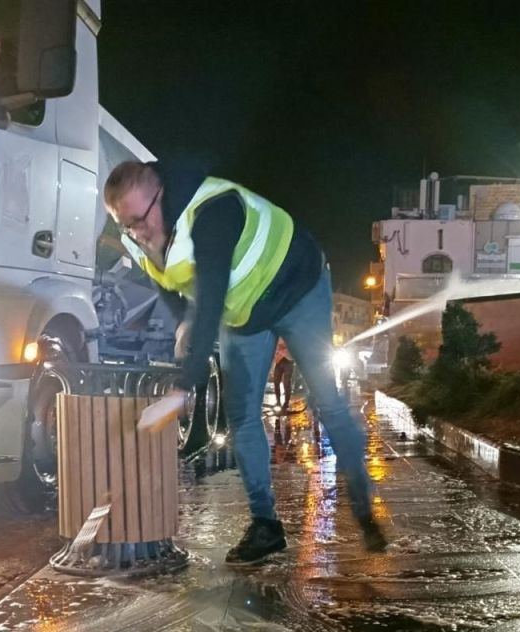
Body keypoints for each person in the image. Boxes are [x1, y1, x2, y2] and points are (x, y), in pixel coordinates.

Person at [105, 160, 387, 564]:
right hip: (246, 313)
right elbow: (163, 280)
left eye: (138, 220)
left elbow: (211, 299)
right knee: (241, 415)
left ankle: (363, 506)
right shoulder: (139, 233)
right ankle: (266, 527)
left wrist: (182, 389)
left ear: (160, 197)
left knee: (327, 401)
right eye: (124, 224)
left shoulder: (214, 213)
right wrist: (181, 319)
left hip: (297, 287)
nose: (136, 232)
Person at [271, 341, 294, 412]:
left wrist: (284, 350)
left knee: (286, 383)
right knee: (276, 382)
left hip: (288, 362)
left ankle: (286, 403)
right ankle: (278, 402)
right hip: (279, 362)